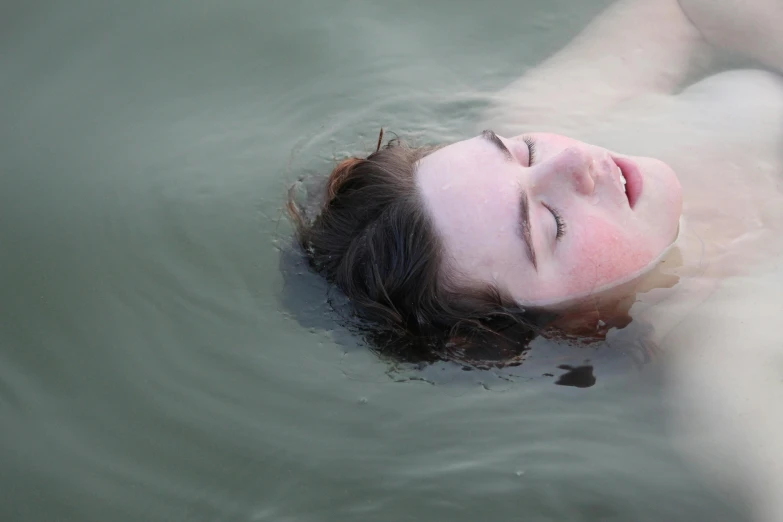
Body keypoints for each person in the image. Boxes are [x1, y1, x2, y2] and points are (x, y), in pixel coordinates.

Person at [287, 0, 783, 363]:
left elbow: (686, 8)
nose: (571, 160)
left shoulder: (544, 114)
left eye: (521, 152)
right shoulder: (729, 357)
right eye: (551, 224)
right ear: (574, 325)